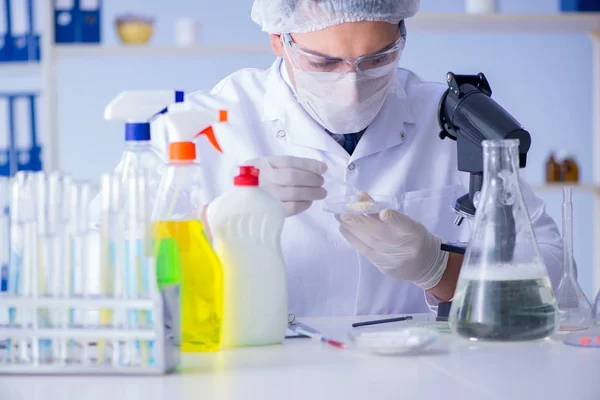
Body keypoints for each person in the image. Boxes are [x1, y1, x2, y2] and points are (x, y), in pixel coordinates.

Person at [150, 0, 564, 317]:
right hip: (257, 375)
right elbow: (114, 269)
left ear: (402, 35)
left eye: (378, 59)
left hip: (419, 379)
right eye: (323, 62)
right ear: (279, 40)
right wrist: (214, 219)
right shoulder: (204, 124)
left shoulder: (449, 119)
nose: (352, 87)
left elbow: (555, 273)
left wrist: (441, 270)